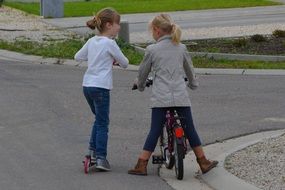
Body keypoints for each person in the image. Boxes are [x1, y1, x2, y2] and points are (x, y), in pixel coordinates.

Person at [128, 14, 218, 175]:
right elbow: (189, 70)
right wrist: (193, 84)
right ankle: (203, 161)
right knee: (190, 128)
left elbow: (143, 72)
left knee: (155, 130)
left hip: (161, 98)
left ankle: (141, 165)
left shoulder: (152, 49)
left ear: (156, 30)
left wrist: (140, 85)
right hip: (180, 96)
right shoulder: (181, 47)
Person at [74, 7, 129, 171]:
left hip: (87, 86)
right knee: (103, 123)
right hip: (101, 87)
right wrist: (113, 59)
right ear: (109, 25)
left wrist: (96, 59)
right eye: (117, 24)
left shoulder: (92, 41)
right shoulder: (110, 43)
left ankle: (91, 151)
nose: (119, 27)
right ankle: (101, 158)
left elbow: (78, 57)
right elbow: (125, 62)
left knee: (98, 119)